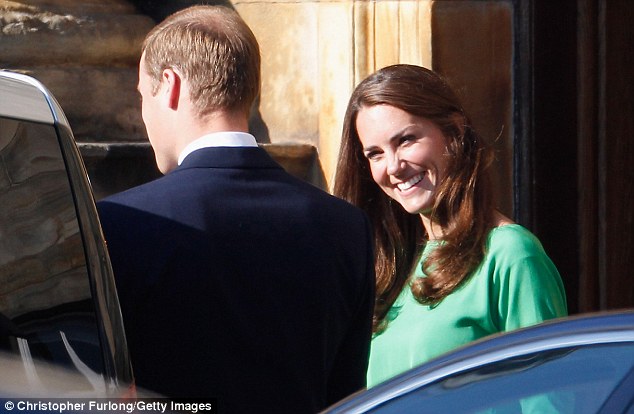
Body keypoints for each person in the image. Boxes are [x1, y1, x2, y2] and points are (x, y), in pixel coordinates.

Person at [97, 6, 375, 413]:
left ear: (170, 85)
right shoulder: (347, 226)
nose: (144, 115)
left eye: (144, 95)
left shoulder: (119, 223)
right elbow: (347, 396)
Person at [333, 64, 567, 387]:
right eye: (375, 154)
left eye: (406, 140)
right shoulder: (388, 269)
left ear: (454, 132)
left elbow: (548, 398)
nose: (393, 167)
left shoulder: (510, 256)